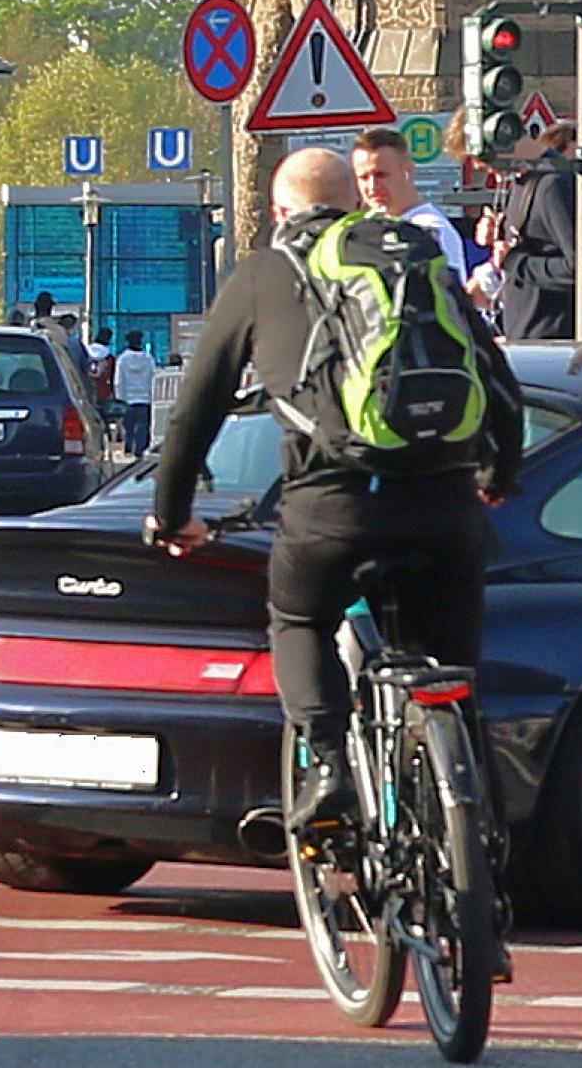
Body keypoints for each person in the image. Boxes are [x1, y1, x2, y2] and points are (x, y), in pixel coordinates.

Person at [150, 149, 525, 832]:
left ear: (277, 213)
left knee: (298, 620)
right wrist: (497, 476)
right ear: (356, 204)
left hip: (331, 509)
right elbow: (498, 382)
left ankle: (326, 764)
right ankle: (478, 838)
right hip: (444, 508)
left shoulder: (264, 273)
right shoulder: (414, 264)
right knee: (452, 674)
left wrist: (172, 515)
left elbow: (195, 410)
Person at [495, 120, 579, 339]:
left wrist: (515, 262)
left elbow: (581, 267)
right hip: (526, 335)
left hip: (551, 341)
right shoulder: (526, 183)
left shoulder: (552, 185)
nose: (476, 166)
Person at [350, 127, 470, 276]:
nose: (372, 186)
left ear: (408, 170)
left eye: (381, 175)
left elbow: (450, 295)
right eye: (364, 177)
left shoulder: (431, 229)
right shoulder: (364, 226)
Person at [113, 328, 158, 457]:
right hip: (145, 399)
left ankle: (128, 448)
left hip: (127, 400)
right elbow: (153, 378)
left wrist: (120, 399)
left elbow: (118, 381)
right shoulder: (148, 359)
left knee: (128, 427)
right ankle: (140, 450)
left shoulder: (122, 359)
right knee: (143, 428)